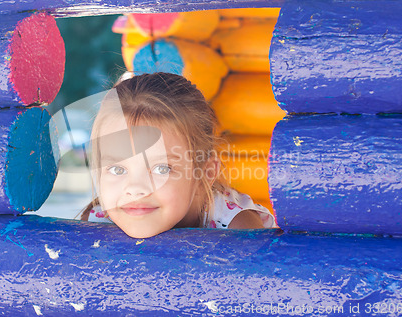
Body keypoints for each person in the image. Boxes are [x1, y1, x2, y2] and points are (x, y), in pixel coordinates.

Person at [80, 72, 276, 238]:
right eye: (117, 169)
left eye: (161, 169)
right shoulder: (97, 222)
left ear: (205, 173)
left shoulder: (238, 231)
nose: (135, 189)